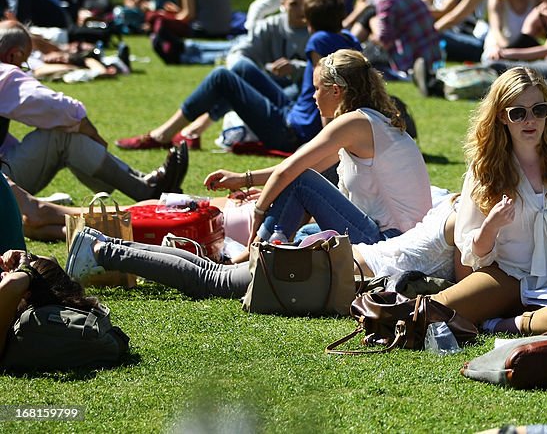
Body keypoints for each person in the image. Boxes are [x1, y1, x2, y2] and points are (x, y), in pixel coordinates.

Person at [432, 67, 547, 334]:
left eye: (539, 110)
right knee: (435, 311)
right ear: (502, 117)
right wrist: (491, 226)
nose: (530, 120)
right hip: (509, 278)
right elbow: (472, 252)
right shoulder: (484, 168)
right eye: (518, 113)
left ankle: (502, 324)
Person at [203, 49, 432, 249]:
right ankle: (268, 250)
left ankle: (255, 251)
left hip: (390, 241)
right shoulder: (369, 123)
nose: (313, 96)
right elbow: (300, 167)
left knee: (302, 181)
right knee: (304, 234)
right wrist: (244, 179)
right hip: (395, 235)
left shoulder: (354, 123)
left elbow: (291, 172)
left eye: (317, 88)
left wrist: (259, 211)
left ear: (335, 91)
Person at [64, 195, 467, 298]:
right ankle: (102, 251)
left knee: (213, 274)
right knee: (212, 280)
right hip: (330, 265)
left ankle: (102, 245)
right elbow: (467, 283)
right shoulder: (465, 225)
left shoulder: (451, 204)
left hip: (333, 256)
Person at [117, 0, 359, 153]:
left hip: (293, 132)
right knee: (241, 68)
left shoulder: (318, 40)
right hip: (293, 112)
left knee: (222, 77)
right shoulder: (350, 40)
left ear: (309, 19)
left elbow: (330, 90)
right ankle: (194, 129)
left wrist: (327, 145)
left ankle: (163, 135)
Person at [0, 21, 187, 202]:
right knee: (62, 134)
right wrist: (90, 131)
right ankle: (148, 190)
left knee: (65, 129)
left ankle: (146, 183)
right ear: (12, 56)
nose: (24, 70)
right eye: (23, 64)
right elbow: (59, 107)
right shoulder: (4, 73)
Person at [1, 250, 110, 359]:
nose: (3, 273)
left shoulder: (8, 330)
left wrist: (24, 268)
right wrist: (27, 257)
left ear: (26, 294)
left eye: (14, 272)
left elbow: (12, 283)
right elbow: (52, 266)